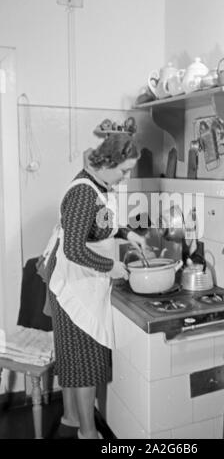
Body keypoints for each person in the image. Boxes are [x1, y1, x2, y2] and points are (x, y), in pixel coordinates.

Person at [43, 133, 146, 439]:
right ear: (109, 162)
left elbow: (103, 222)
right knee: (84, 359)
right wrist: (111, 267)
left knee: (74, 355)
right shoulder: (84, 193)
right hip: (72, 284)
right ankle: (88, 432)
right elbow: (73, 248)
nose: (126, 176)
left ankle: (72, 416)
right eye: (124, 170)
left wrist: (129, 234)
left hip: (78, 280)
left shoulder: (97, 184)